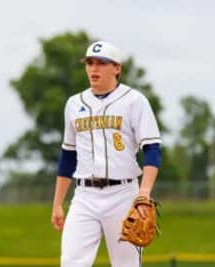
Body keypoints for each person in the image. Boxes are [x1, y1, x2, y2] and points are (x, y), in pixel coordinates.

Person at [51, 40, 162, 267]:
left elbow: (152, 149)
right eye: (90, 63)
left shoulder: (134, 100)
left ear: (117, 68)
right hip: (84, 196)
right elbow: (68, 156)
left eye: (101, 63)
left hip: (123, 194)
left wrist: (144, 193)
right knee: (71, 262)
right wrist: (57, 203)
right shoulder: (74, 104)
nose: (94, 69)